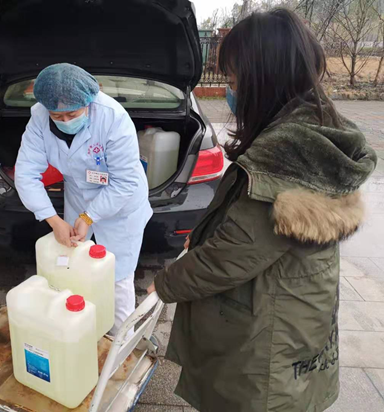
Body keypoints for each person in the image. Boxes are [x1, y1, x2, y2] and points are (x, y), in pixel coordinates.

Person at [147, 8, 377, 412]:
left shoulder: (286, 155)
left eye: (234, 81)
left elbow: (231, 255)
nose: (230, 91)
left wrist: (164, 284)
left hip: (267, 337)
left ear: (264, 80)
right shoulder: (319, 133)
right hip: (298, 313)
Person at [15, 63, 152, 335]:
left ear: (88, 102)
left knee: (117, 277)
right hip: (79, 198)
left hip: (120, 206)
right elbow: (26, 174)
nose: (65, 121)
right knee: (74, 268)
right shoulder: (39, 118)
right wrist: (53, 220)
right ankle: (83, 330)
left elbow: (125, 182)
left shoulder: (113, 117)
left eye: (73, 113)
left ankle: (120, 342)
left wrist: (89, 216)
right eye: (57, 115)